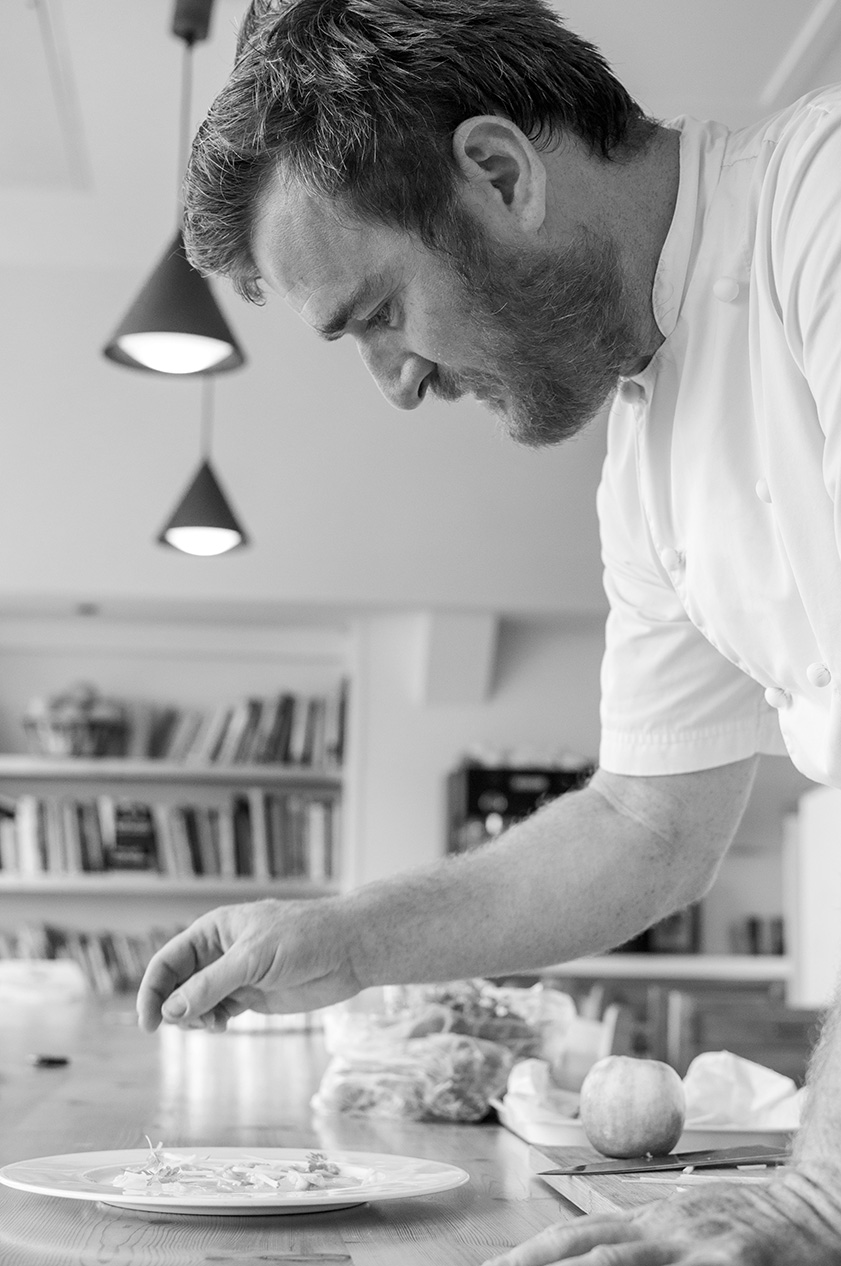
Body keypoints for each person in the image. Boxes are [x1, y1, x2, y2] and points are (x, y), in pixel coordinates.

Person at [136, 0, 841, 1260]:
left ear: (500, 172)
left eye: (377, 315)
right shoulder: (645, 446)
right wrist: (343, 939)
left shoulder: (822, 209)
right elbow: (647, 829)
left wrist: (819, 1197)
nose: (396, 383)